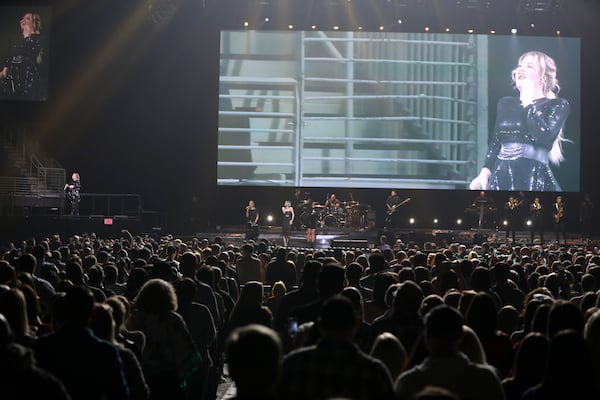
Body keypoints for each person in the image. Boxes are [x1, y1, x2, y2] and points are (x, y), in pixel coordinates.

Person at [469, 51, 570, 191]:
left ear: (543, 77)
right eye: (520, 65)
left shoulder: (557, 105)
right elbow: (496, 143)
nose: (520, 69)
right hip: (502, 175)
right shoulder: (506, 103)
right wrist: (484, 172)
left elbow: (543, 137)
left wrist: (528, 102)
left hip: (534, 176)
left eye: (529, 66)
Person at [0, 12, 47, 100]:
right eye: (23, 18)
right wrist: (5, 69)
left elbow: (32, 55)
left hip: (28, 79)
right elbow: (11, 57)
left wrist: (30, 34)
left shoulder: (40, 39)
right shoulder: (18, 42)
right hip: (13, 79)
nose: (23, 20)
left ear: (35, 22)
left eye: (28, 18)